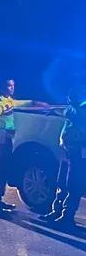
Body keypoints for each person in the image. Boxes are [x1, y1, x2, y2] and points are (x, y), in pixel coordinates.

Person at [0, 79, 41, 214]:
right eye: (9, 85)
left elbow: (18, 103)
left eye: (13, 85)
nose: (11, 88)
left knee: (2, 171)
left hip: (6, 139)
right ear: (0, 86)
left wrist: (33, 102)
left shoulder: (7, 100)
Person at [41, 86, 86, 226]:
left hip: (78, 152)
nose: (70, 98)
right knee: (61, 182)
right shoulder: (72, 108)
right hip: (67, 150)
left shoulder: (81, 110)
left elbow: (76, 118)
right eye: (70, 96)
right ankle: (57, 211)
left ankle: (67, 216)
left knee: (73, 184)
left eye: (74, 95)